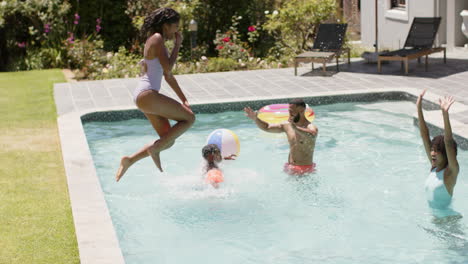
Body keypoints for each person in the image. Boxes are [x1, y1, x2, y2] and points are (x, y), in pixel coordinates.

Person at [116, 7, 195, 182]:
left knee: (168, 140)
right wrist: (177, 46)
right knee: (189, 118)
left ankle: (130, 160)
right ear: (166, 25)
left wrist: (183, 98)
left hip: (144, 96)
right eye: (175, 26)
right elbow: (168, 71)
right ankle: (154, 149)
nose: (177, 30)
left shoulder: (154, 40)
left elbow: (167, 73)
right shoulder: (157, 38)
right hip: (147, 94)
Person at [244, 98, 318, 176]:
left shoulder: (310, 127)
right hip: (290, 167)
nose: (290, 113)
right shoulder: (287, 125)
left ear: (301, 110)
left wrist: (296, 128)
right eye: (289, 110)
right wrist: (256, 119)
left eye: (292, 110)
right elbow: (267, 127)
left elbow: (312, 135)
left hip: (304, 170)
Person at [417, 89, 460, 217]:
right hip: (436, 222)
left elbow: (448, 142)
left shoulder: (450, 173)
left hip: (448, 223)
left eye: (436, 151)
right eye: (432, 150)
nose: (432, 153)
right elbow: (425, 135)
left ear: (445, 154)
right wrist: (418, 108)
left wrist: (445, 115)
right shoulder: (434, 167)